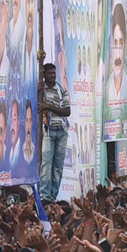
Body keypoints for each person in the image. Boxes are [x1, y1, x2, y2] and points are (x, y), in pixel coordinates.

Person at [39, 63, 71, 200]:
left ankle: (53, 195)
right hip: (48, 130)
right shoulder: (41, 90)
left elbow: (67, 111)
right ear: (44, 74)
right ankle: (45, 196)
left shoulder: (61, 90)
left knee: (58, 167)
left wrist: (49, 106)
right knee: (46, 164)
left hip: (61, 130)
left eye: (54, 73)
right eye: (49, 73)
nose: (52, 76)